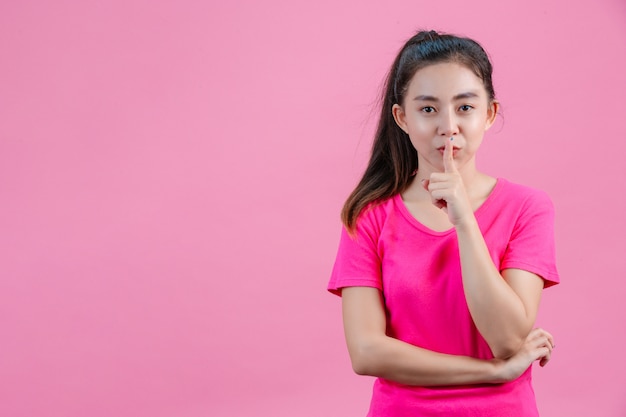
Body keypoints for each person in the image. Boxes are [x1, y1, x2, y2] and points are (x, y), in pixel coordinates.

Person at [327, 30, 560, 416]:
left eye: (465, 107)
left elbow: (506, 337)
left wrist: (464, 219)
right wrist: (493, 371)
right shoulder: (368, 216)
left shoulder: (527, 207)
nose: (448, 126)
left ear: (489, 114)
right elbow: (367, 352)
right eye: (428, 109)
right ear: (402, 118)